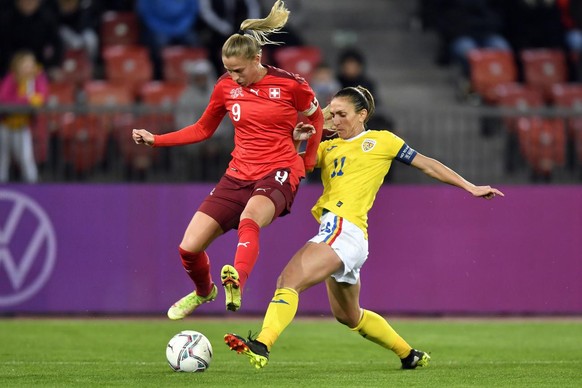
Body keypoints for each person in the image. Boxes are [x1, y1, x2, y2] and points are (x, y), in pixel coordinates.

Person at [224, 85, 504, 369]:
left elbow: (427, 165)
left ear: (362, 115)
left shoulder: (382, 141)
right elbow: (291, 169)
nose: (335, 121)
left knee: (287, 282)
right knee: (349, 316)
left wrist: (470, 186)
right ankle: (410, 355)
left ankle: (262, 344)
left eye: (342, 114)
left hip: (342, 229)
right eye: (331, 115)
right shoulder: (326, 147)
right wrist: (297, 141)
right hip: (348, 236)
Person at [132, 0, 323, 318]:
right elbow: (202, 129)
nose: (233, 77)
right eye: (228, 70)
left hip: (278, 171)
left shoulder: (290, 85)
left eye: (239, 70)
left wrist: (309, 161)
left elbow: (316, 117)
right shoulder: (225, 88)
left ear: (257, 58)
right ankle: (204, 291)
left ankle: (237, 283)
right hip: (237, 175)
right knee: (188, 248)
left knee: (250, 220)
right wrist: (157, 140)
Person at [0, 50, 49, 183]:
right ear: (17, 66)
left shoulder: (37, 78)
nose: (29, 67)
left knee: (26, 158)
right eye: (25, 64)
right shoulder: (11, 78)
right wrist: (27, 100)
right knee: (2, 160)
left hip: (22, 127)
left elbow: (42, 96)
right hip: (5, 125)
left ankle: (32, 187)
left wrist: (33, 100)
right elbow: (4, 99)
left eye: (31, 64)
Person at [136, 0, 201, 80]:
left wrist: (179, 28)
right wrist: (165, 29)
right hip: (158, 28)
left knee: (195, 44)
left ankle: (194, 78)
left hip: (183, 28)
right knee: (158, 43)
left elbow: (192, 11)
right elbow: (146, 13)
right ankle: (161, 80)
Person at [0, 0, 64, 80]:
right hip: (13, 70)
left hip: (41, 68)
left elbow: (56, 44)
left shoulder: (47, 18)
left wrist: (53, 65)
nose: (28, 2)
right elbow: (3, 49)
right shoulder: (5, 20)